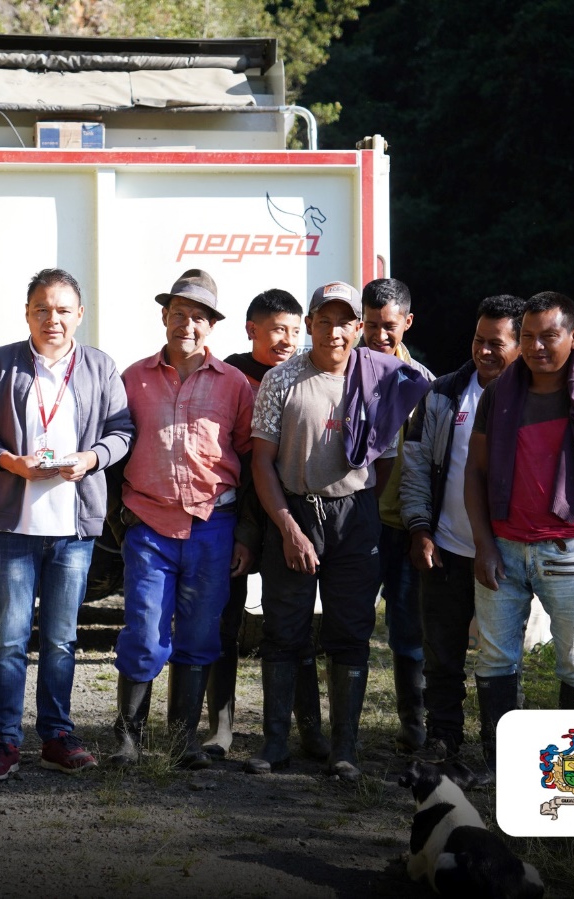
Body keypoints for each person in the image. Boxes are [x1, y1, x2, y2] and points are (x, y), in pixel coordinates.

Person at [249, 281, 431, 778]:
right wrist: (287, 525)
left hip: (356, 518)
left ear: (359, 327)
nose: (334, 331)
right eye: (323, 321)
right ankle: (275, 744)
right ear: (309, 325)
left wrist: (359, 507)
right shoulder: (282, 379)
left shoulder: (380, 378)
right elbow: (261, 462)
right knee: (284, 630)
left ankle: (344, 748)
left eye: (344, 321)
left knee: (350, 632)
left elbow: (387, 461)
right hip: (293, 513)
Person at [0, 268, 133, 782]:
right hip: (14, 525)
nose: (52, 319)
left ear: (79, 315)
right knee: (10, 638)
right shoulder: (1, 363)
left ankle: (57, 735)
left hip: (74, 528)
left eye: (62, 310)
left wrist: (94, 458)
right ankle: (4, 742)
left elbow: (123, 430)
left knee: (60, 639)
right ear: (27, 314)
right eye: (42, 309)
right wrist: (7, 461)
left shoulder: (101, 367)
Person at [463, 291, 574, 776]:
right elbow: (473, 474)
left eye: (549, 336)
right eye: (529, 337)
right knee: (495, 660)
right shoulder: (499, 394)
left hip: (571, 550)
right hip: (504, 548)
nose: (536, 347)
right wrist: (483, 544)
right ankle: (502, 769)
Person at [111, 268, 254, 770]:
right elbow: (112, 446)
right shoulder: (132, 378)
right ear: (164, 318)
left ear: (212, 325)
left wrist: (245, 535)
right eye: (178, 314)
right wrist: (122, 518)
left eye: (198, 317)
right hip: (149, 524)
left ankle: (181, 740)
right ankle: (129, 737)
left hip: (213, 526)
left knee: (199, 633)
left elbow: (251, 460)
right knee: (145, 630)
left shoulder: (235, 385)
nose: (186, 325)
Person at [204, 289, 330, 764]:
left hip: (285, 517)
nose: (288, 340)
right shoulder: (228, 376)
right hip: (233, 515)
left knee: (291, 627)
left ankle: (310, 729)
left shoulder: (305, 374)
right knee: (224, 625)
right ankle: (220, 728)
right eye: (278, 329)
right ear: (251, 329)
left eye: (296, 331)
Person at [399, 295, 524, 763]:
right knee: (442, 655)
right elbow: (414, 467)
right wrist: (419, 528)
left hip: (509, 555)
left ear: (520, 344)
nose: (484, 351)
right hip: (446, 548)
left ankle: (503, 749)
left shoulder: (534, 398)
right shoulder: (444, 393)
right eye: (478, 340)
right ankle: (444, 736)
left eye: (497, 343)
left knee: (501, 659)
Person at [360, 278, 435, 753]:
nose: (379, 335)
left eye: (389, 327)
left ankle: (415, 723)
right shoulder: (344, 371)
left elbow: (430, 461)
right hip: (354, 524)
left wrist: (421, 525)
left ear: (407, 322)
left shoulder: (425, 383)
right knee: (348, 629)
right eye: (370, 325)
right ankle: (342, 728)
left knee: (408, 632)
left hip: (403, 526)